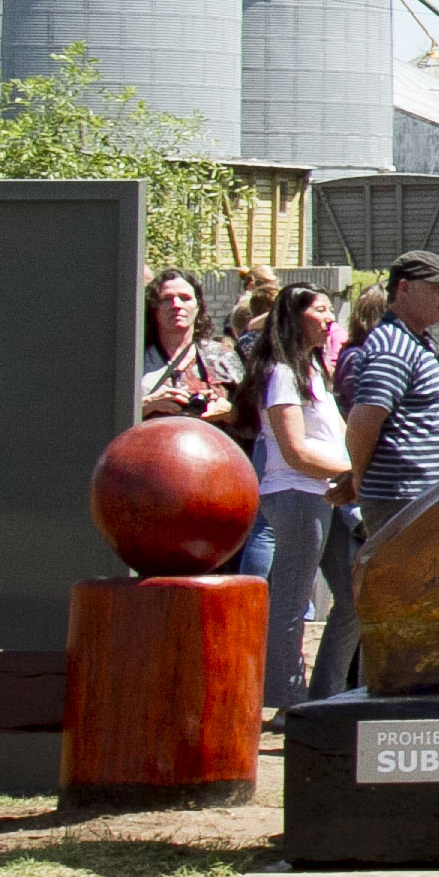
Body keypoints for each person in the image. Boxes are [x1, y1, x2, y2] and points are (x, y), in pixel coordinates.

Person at [323, 252, 439, 698]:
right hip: (405, 498)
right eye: (437, 287)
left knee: (414, 603)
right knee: (398, 603)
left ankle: (397, 695)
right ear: (403, 289)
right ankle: (382, 702)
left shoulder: (417, 342)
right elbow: (365, 421)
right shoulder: (391, 345)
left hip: (419, 497)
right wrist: (360, 482)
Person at [244, 281, 346, 721]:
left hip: (329, 494)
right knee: (292, 598)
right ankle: (288, 702)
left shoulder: (312, 372)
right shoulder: (282, 373)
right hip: (298, 496)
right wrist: (351, 473)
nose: (330, 320)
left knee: (354, 594)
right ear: (295, 316)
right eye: (321, 310)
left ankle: (326, 695)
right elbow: (294, 451)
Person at [138, 269, 240, 425]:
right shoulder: (135, 357)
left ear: (198, 306)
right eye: (166, 299)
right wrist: (145, 406)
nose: (176, 305)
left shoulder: (221, 355)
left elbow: (253, 421)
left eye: (185, 298)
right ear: (154, 307)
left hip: (209, 445)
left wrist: (228, 412)